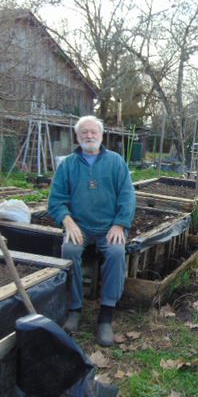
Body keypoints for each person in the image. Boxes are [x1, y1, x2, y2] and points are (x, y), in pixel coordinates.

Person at [48, 115, 135, 347]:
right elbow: (55, 201)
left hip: (109, 227)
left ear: (101, 135)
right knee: (69, 250)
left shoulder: (116, 162)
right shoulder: (67, 165)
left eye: (93, 132)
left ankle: (106, 315)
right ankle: (75, 308)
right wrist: (67, 222)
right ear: (77, 137)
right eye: (84, 132)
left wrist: (120, 223)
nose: (89, 135)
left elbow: (127, 196)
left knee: (117, 252)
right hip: (80, 226)